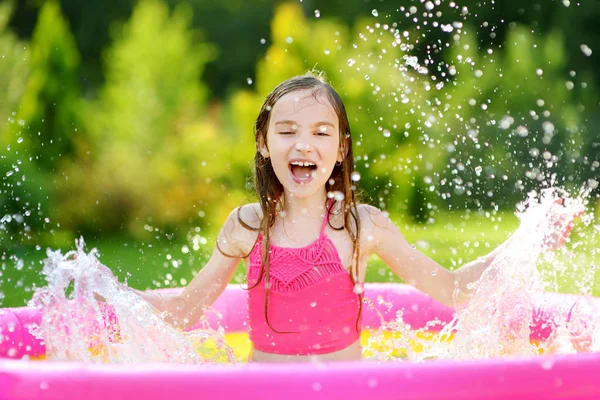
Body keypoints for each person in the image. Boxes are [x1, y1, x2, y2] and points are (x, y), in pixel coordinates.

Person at [107, 72, 579, 363]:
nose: (303, 144)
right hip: (262, 391)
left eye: (321, 132)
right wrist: (105, 294)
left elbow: (452, 290)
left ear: (340, 150)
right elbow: (185, 310)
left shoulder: (361, 227)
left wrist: (525, 240)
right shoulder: (247, 227)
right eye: (286, 131)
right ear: (263, 143)